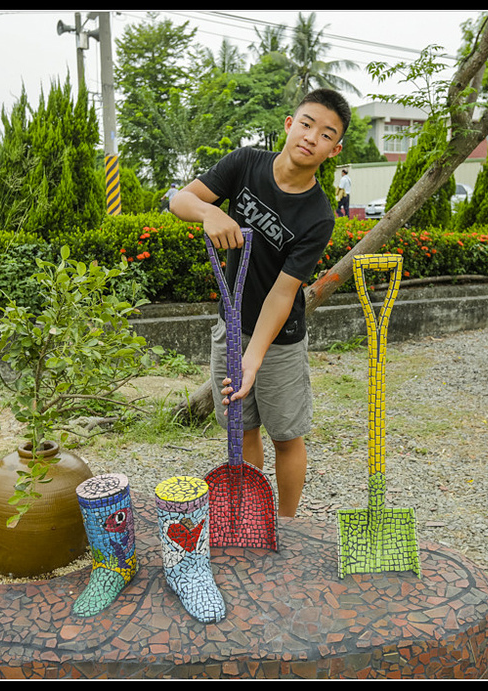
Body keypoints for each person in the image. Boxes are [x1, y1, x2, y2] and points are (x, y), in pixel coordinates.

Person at [169, 88, 351, 518]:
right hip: (228, 324)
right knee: (242, 425)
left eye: (326, 134)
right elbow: (179, 199)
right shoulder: (245, 164)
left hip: (280, 339)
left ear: (333, 150)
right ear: (289, 125)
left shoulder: (318, 215)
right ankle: (249, 515)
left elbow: (284, 292)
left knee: (285, 435)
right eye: (306, 123)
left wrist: (253, 357)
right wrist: (208, 212)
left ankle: (286, 525)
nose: (311, 137)